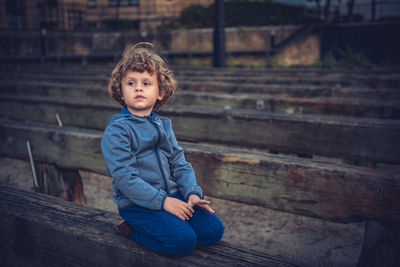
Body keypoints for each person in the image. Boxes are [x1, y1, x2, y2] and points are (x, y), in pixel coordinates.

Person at [101, 42, 225, 257]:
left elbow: (180, 164)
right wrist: (163, 202)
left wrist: (192, 194)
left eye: (146, 83)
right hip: (138, 204)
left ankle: (171, 221)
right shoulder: (118, 130)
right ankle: (132, 229)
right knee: (183, 242)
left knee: (213, 231)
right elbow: (125, 178)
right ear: (121, 91)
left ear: (160, 92)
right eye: (131, 83)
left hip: (172, 195)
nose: (138, 88)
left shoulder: (163, 125)